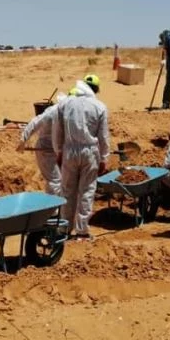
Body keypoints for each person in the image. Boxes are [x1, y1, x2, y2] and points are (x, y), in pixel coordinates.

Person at [53, 74, 110, 241]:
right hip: (90, 152)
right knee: (87, 191)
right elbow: (103, 136)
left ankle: (64, 229)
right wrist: (104, 158)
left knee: (67, 191)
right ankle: (82, 230)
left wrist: (59, 152)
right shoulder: (99, 107)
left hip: (69, 150)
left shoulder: (65, 104)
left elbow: (58, 131)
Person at [16, 94, 68, 196]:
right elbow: (34, 123)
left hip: (60, 150)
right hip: (46, 150)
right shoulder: (51, 113)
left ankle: (58, 204)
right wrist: (23, 140)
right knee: (55, 180)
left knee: (63, 179)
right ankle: (54, 208)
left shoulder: (70, 114)